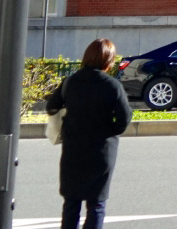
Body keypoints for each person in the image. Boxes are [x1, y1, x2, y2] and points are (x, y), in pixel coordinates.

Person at [46, 37, 133, 229]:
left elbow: (52, 106)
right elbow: (124, 120)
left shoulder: (70, 82)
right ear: (108, 61)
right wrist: (108, 130)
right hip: (102, 151)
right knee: (96, 204)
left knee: (71, 202)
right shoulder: (112, 86)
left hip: (73, 149)